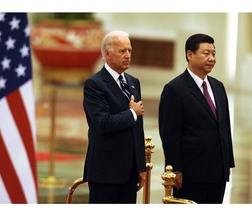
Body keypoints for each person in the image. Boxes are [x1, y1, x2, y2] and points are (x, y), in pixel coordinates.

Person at [158, 33, 235, 204]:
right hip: (192, 173)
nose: (211, 58)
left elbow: (224, 127)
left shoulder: (218, 86)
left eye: (214, 54)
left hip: (218, 173)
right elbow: (170, 134)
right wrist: (175, 169)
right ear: (190, 55)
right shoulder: (174, 89)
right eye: (206, 53)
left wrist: (227, 162)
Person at [82, 30, 146, 203]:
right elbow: (103, 123)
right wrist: (132, 112)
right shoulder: (95, 84)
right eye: (122, 51)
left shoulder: (133, 82)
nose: (127, 55)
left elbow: (137, 128)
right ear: (107, 54)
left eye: (129, 51)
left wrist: (140, 167)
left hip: (129, 172)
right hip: (105, 172)